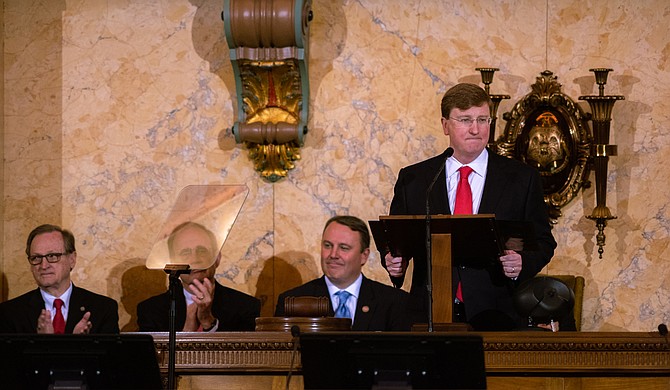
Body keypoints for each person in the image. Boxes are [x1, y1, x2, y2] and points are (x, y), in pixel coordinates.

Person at [384, 83, 563, 331]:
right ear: (445, 125)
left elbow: (543, 242)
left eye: (482, 119)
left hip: (497, 313)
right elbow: (397, 242)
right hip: (429, 312)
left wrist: (522, 262)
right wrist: (395, 264)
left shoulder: (521, 178)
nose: (476, 129)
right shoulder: (416, 179)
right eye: (465, 119)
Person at [275, 215, 411, 331]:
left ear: (364, 255)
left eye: (344, 248)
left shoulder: (393, 302)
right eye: (327, 246)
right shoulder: (291, 302)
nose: (333, 255)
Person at [137, 221, 260, 332]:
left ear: (217, 259)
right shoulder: (151, 311)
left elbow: (241, 355)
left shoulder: (245, 307)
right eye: (185, 253)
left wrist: (208, 321)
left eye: (202, 251)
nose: (195, 259)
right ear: (173, 263)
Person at [0, 224, 119, 334]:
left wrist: (80, 345)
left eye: (52, 256)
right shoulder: (10, 313)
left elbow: (112, 357)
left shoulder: (103, 309)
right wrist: (42, 342)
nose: (43, 266)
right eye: (36, 258)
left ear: (72, 259)